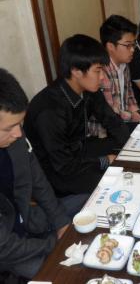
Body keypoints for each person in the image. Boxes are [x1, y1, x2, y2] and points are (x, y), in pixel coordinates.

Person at [24, 34, 130, 198]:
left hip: (78, 150)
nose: (102, 77)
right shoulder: (49, 110)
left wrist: (131, 148)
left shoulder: (87, 88)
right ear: (76, 71)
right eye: (98, 70)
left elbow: (111, 120)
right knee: (114, 182)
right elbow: (63, 165)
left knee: (125, 143)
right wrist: (104, 161)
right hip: (55, 171)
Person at [0, 68, 70, 279]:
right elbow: (4, 245)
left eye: (20, 123)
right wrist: (54, 244)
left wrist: (61, 223)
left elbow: (38, 181)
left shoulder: (15, 138)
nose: (19, 133)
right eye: (9, 128)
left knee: (85, 206)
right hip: (8, 249)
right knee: (61, 273)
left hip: (25, 219)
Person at [97, 15, 140, 133]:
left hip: (124, 122)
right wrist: (132, 116)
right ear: (110, 46)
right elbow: (111, 114)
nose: (133, 49)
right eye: (128, 45)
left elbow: (130, 96)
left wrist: (136, 112)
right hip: (107, 132)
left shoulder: (124, 64)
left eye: (134, 44)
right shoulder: (101, 71)